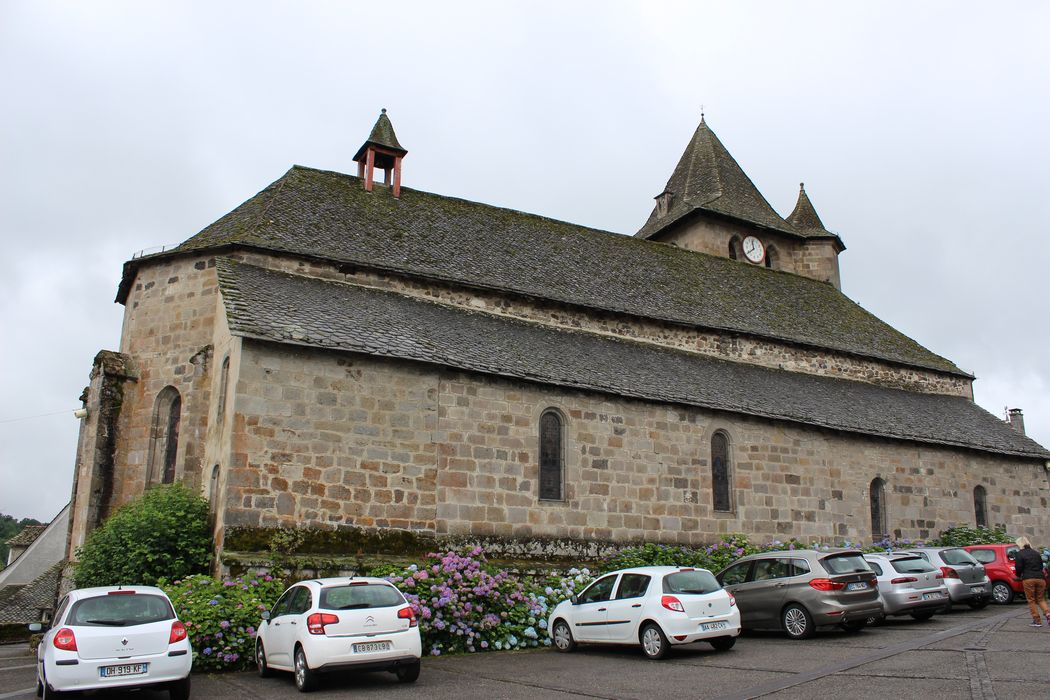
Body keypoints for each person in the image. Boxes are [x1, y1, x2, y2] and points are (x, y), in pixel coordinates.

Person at [1013, 536, 1050, 627]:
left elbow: (1019, 567)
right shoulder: (1036, 553)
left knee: (1031, 600)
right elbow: (1041, 566)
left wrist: (1018, 576)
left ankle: (1037, 621)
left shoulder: (1019, 554)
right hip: (1040, 578)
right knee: (1041, 599)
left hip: (1028, 579)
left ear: (1020, 544)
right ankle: (1048, 614)